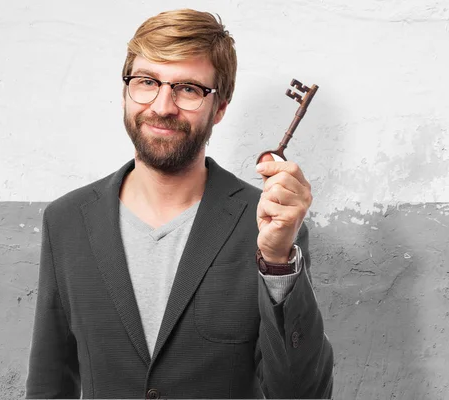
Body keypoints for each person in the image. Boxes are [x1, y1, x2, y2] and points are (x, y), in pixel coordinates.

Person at [25, 8, 333, 399]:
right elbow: (49, 386)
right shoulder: (66, 221)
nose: (162, 106)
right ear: (125, 91)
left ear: (219, 108)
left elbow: (301, 394)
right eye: (147, 81)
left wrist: (276, 262)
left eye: (188, 89)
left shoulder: (269, 228)